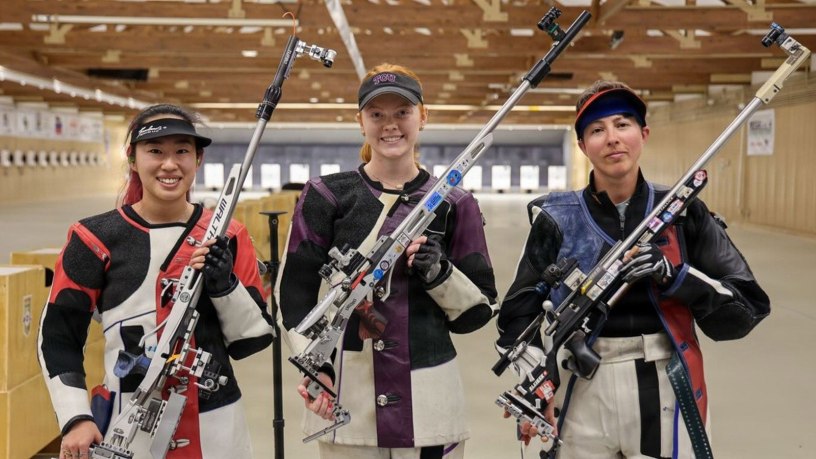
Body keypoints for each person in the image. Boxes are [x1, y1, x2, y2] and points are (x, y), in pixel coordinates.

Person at [496, 80, 771, 458]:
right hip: (579, 385)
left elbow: (746, 306)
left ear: (643, 133)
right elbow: (515, 315)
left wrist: (675, 277)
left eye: (622, 124)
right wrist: (538, 388)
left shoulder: (683, 210)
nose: (612, 138)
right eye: (596, 129)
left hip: (664, 382)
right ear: (582, 145)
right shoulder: (557, 218)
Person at [277, 63, 498, 459]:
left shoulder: (455, 203)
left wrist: (440, 274)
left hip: (430, 403)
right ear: (360, 121)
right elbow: (294, 291)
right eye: (376, 114)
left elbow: (477, 313)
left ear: (423, 117)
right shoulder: (327, 195)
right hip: (346, 399)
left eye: (402, 112)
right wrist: (315, 367)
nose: (389, 124)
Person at [37, 104, 275, 459]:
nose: (169, 164)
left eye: (181, 150)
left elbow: (251, 341)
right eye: (155, 151)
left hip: (217, 427)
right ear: (133, 159)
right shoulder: (93, 238)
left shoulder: (229, 235)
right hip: (126, 425)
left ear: (198, 159)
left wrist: (224, 287)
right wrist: (75, 417)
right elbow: (57, 335)